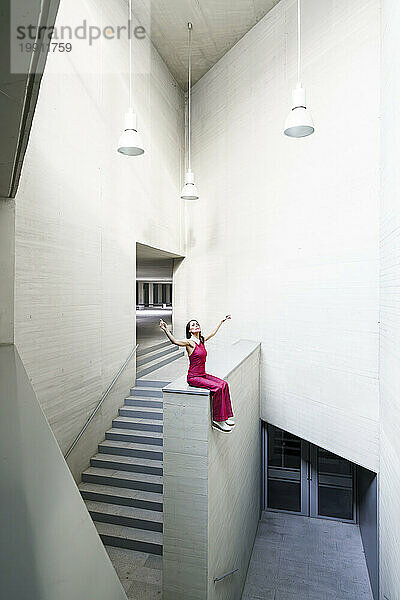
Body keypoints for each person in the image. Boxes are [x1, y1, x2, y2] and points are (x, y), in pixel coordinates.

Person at [159, 316, 235, 433]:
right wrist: (166, 329)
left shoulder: (202, 340)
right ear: (190, 330)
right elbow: (175, 341)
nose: (196, 325)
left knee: (224, 384)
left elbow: (213, 333)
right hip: (194, 377)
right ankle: (218, 420)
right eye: (193, 325)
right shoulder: (189, 342)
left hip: (202, 374)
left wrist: (221, 321)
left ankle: (225, 417)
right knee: (218, 388)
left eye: (197, 324)